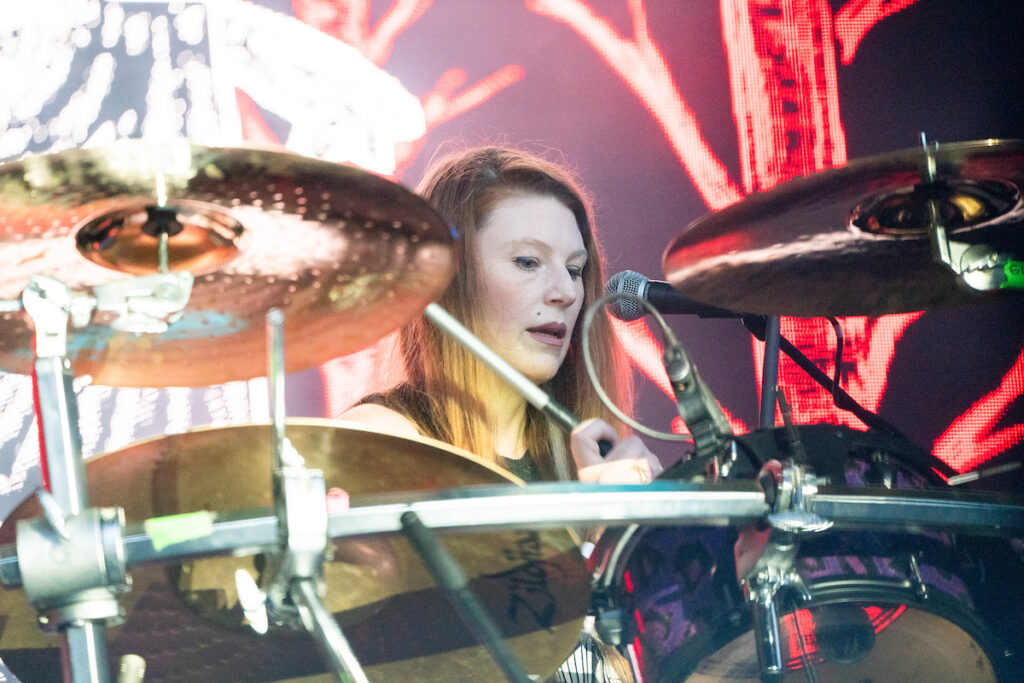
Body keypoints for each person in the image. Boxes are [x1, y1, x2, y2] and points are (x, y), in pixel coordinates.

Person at [341, 145, 662, 487]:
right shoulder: (379, 443)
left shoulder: (587, 458)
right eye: (528, 262)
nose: (566, 293)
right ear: (448, 278)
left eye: (573, 269)